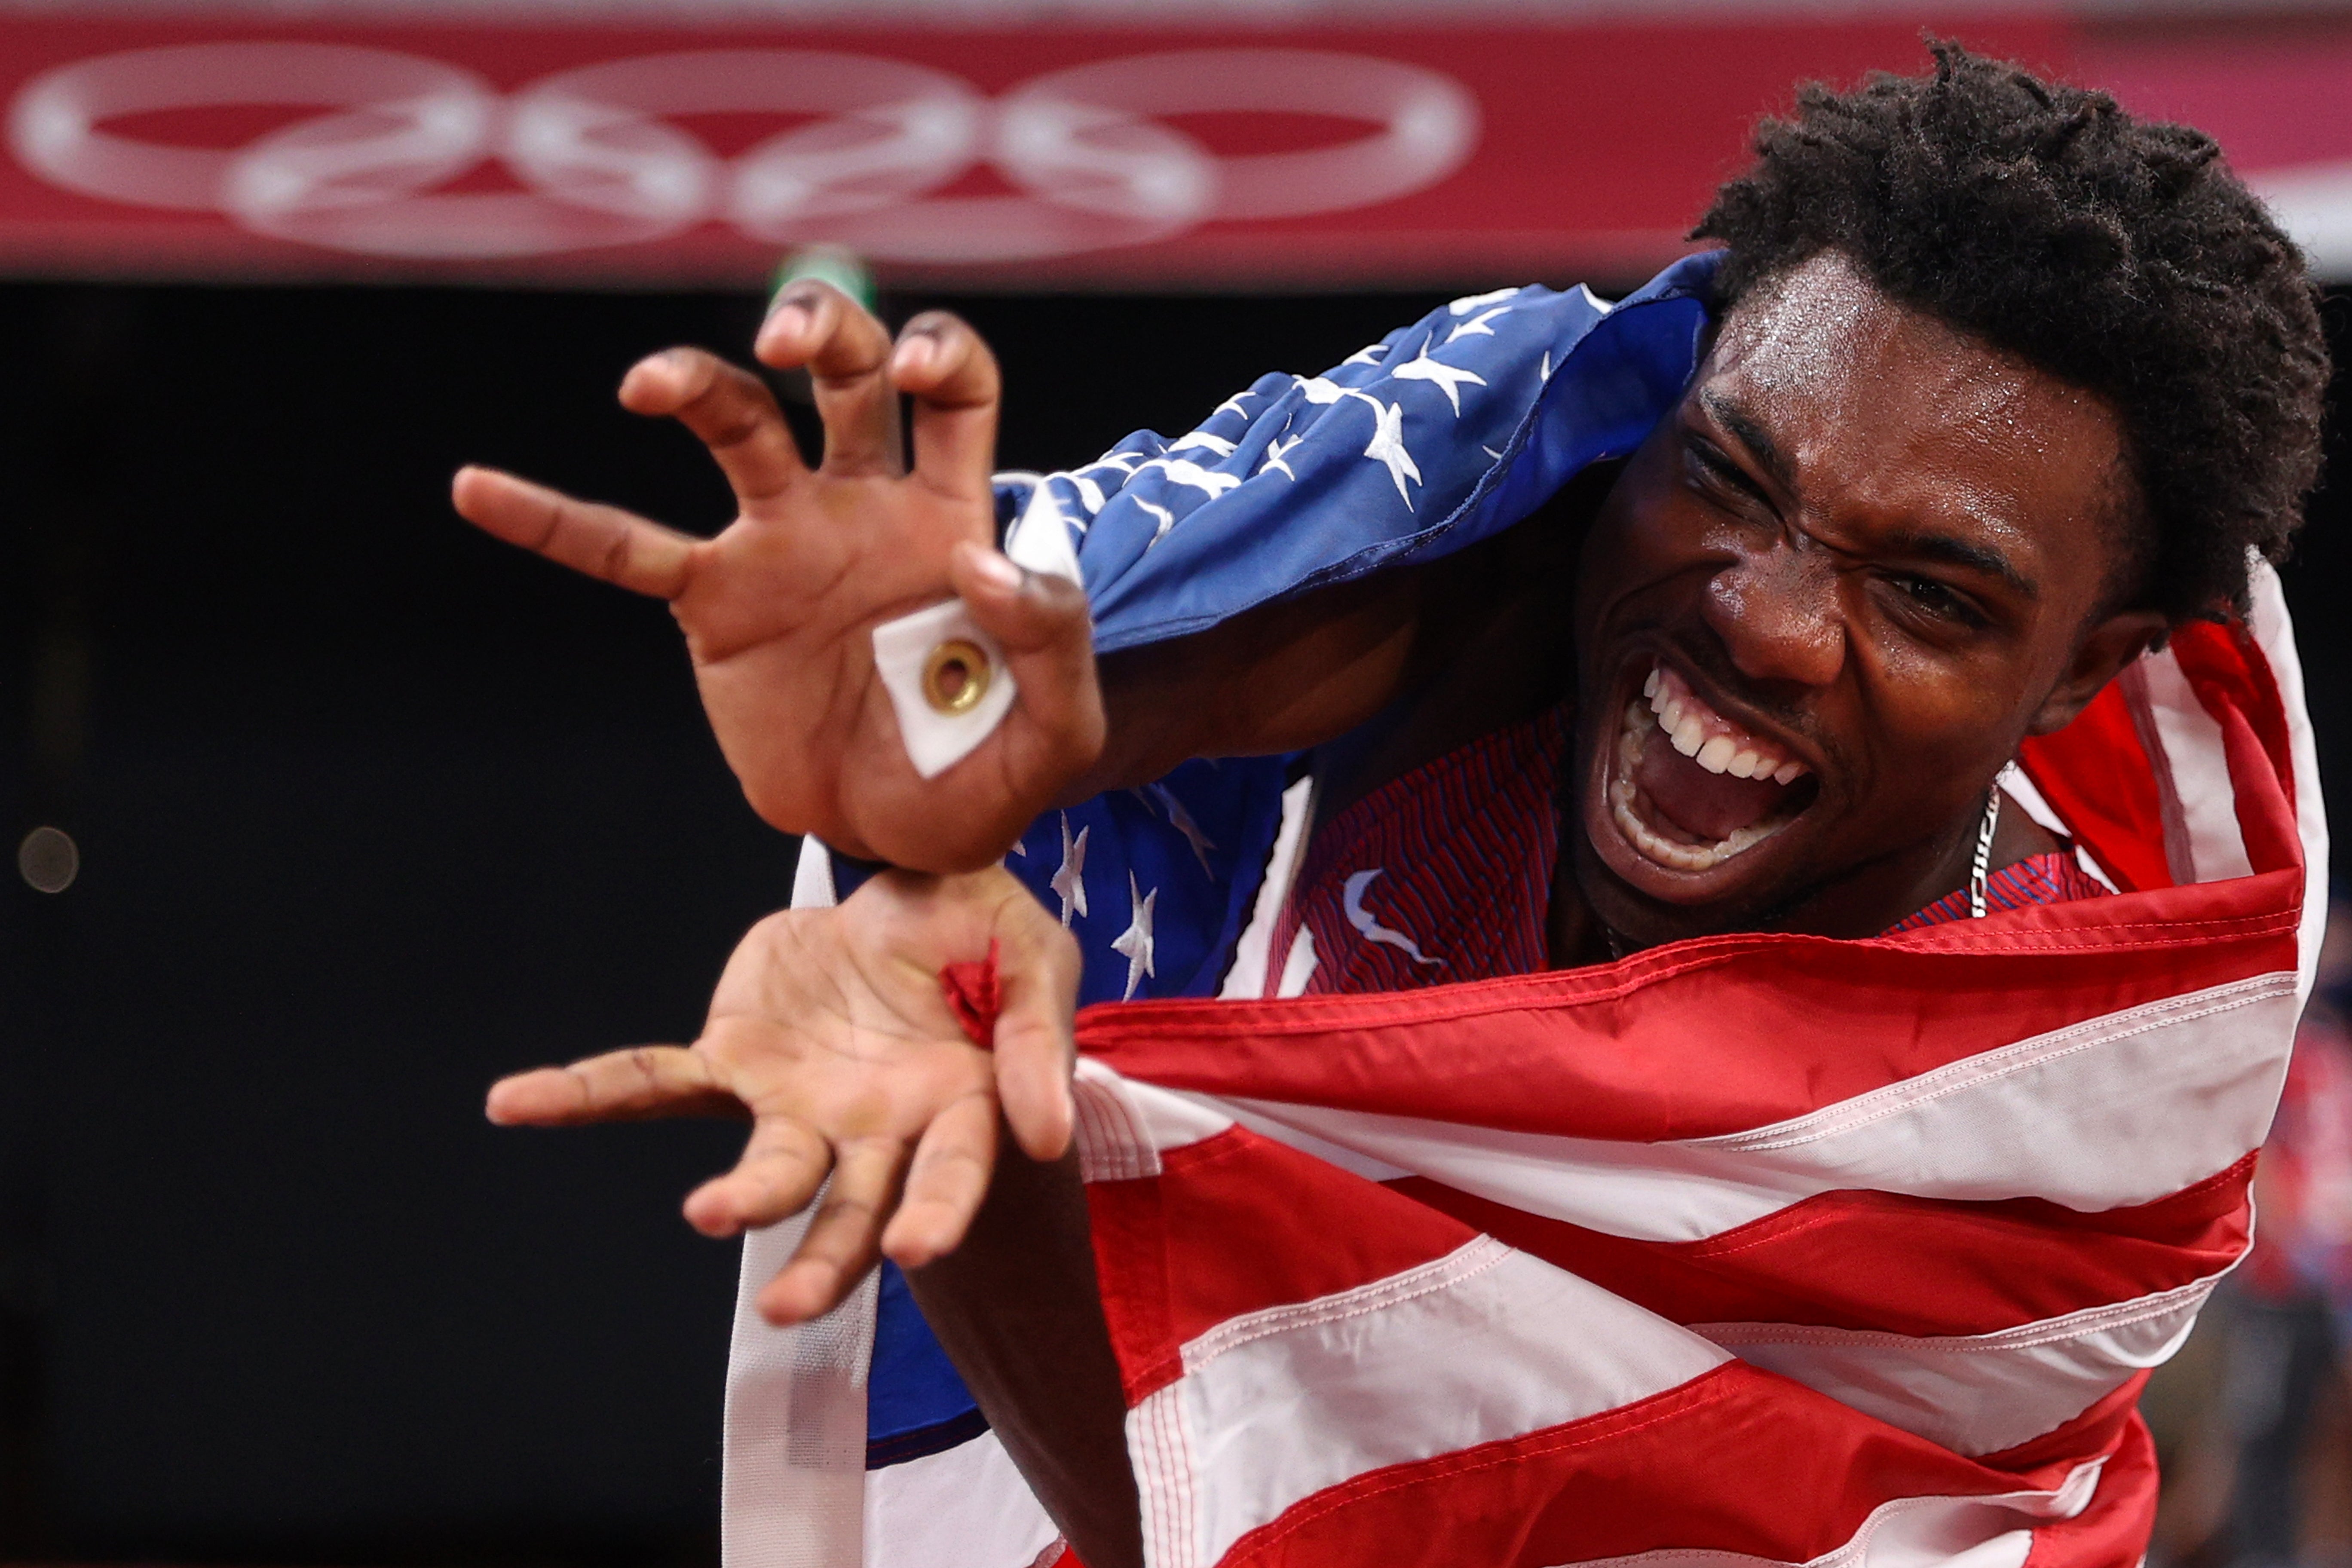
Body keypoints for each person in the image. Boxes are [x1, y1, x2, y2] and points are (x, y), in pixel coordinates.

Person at [458, 46, 2330, 1568]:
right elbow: (1133, 666)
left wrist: (967, 1144)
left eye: (1929, 593)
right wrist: (915, 722)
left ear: (2089, 674)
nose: (1760, 616)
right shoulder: (1495, 606)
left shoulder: (2029, 1165)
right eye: (1731, 477)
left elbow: (1316, 1529)